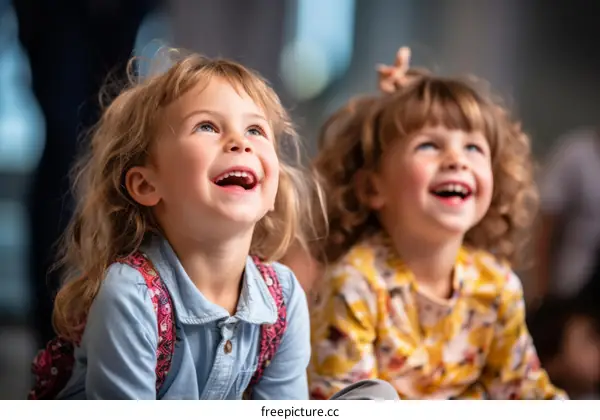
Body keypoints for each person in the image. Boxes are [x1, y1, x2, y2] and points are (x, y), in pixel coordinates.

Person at [28, 50, 398, 400]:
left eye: (255, 130)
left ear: (272, 192)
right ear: (146, 185)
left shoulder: (283, 296)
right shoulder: (131, 295)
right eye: (206, 126)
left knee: (378, 398)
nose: (240, 142)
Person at [305, 54, 567, 399]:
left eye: (474, 147)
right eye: (428, 145)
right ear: (373, 188)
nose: (457, 160)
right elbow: (344, 403)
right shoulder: (354, 285)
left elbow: (526, 392)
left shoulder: (497, 286)